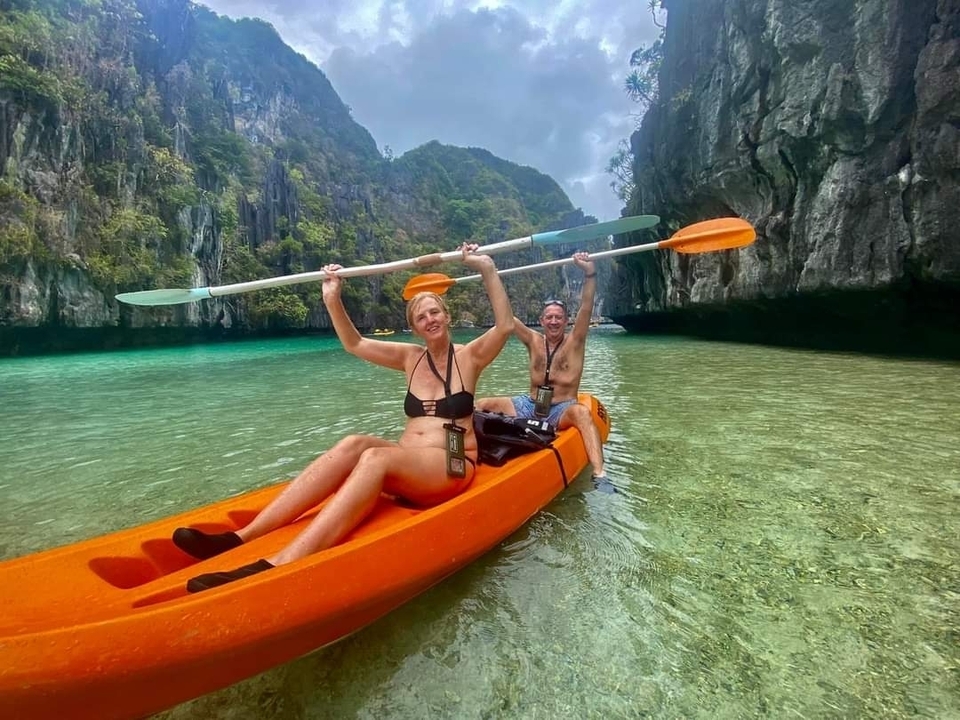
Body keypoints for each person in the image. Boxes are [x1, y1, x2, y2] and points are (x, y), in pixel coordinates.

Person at [173, 243, 514, 592]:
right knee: (355, 444)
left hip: (452, 465)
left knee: (376, 456)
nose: (430, 320)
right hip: (414, 464)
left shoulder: (470, 357)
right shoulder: (410, 358)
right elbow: (355, 344)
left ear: (447, 316)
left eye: (434, 312)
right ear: (414, 327)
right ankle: (240, 537)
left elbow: (504, 325)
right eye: (421, 317)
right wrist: (332, 299)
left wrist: (485, 266)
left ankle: (281, 562)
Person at [476, 251, 615, 493]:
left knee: (582, 414)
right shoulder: (532, 340)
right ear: (541, 320)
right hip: (529, 404)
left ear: (566, 321)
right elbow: (505, 315)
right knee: (483, 403)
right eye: (549, 317)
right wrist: (487, 270)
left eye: (558, 318)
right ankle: (471, 453)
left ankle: (600, 475)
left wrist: (590, 273)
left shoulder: (575, 342)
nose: (553, 321)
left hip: (561, 409)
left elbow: (586, 307)